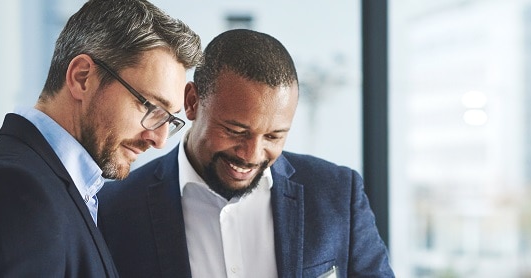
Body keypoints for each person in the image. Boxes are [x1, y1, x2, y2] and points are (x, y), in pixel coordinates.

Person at [0, 1, 201, 277]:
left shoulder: (51, 187)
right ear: (82, 77)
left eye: (169, 119)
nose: (159, 139)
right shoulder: (13, 194)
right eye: (150, 107)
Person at [97, 29, 395, 277]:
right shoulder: (115, 211)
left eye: (274, 136)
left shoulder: (338, 194)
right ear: (191, 102)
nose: (251, 154)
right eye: (235, 131)